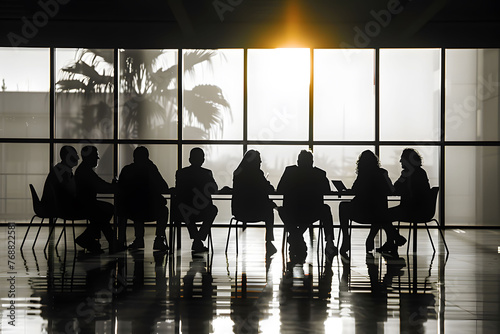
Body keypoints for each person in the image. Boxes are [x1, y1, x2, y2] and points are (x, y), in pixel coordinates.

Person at [338, 150, 404, 258]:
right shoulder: (382, 173)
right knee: (380, 210)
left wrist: (346, 191)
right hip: (377, 214)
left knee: (343, 206)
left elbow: (355, 190)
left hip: (361, 212)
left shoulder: (363, 174)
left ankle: (346, 238)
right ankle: (373, 237)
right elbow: (391, 190)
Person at [277, 150, 337, 263]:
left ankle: (295, 236)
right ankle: (329, 242)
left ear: (298, 161)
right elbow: (327, 191)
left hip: (292, 212)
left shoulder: (289, 172)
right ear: (312, 162)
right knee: (325, 209)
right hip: (311, 213)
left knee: (281, 210)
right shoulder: (319, 174)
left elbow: (280, 189)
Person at [117, 146, 169, 252]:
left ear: (134, 157)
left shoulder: (127, 170)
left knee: (134, 207)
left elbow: (120, 188)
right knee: (164, 210)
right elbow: (163, 186)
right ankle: (159, 239)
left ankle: (137, 239)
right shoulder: (151, 169)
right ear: (147, 158)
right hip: (151, 210)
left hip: (132, 211)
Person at [379, 148, 430, 252]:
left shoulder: (410, 174)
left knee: (382, 215)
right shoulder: (419, 173)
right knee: (384, 215)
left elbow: (396, 189)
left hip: (412, 210)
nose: (400, 161)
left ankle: (395, 239)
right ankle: (394, 240)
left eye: (402, 159)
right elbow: (398, 188)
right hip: (419, 209)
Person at [232, 150, 277, 255]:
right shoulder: (257, 174)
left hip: (240, 212)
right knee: (269, 212)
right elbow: (269, 189)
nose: (260, 162)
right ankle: (269, 242)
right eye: (259, 160)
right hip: (255, 212)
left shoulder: (237, 174)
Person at [174, 147, 218, 253]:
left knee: (185, 209)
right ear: (203, 160)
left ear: (190, 159)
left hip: (186, 212)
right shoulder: (207, 173)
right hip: (203, 211)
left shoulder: (181, 173)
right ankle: (198, 239)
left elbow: (178, 191)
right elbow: (214, 189)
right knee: (213, 210)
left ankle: (197, 239)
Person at [74, 145, 117, 253]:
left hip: (83, 204)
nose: (98, 158)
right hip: (85, 205)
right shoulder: (86, 172)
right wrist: (115, 187)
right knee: (105, 211)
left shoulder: (84, 170)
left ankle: (89, 239)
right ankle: (90, 239)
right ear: (89, 157)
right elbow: (100, 186)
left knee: (102, 214)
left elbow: (99, 184)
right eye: (96, 156)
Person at [41, 145, 80, 219]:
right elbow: (69, 192)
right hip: (54, 207)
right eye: (74, 155)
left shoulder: (60, 170)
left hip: (52, 206)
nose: (77, 158)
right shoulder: (61, 173)